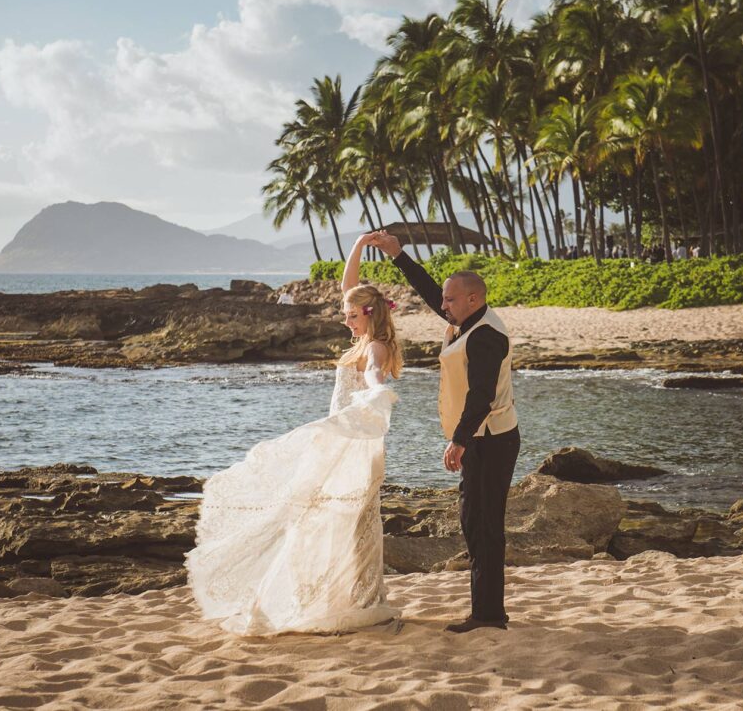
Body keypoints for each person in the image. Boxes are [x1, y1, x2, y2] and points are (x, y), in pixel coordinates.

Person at [186, 233, 402, 636]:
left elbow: (374, 374)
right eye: (346, 314)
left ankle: (365, 599)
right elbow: (347, 287)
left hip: (355, 448)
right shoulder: (362, 338)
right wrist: (358, 243)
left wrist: (376, 392)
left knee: (353, 524)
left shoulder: (375, 347)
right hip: (339, 444)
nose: (346, 320)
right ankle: (348, 596)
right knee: (325, 519)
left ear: (370, 315)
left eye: (353, 316)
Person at [367, 231, 520, 634]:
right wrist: (398, 255)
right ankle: (487, 611)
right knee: (473, 520)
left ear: (474, 299)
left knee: (485, 524)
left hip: (492, 439)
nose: (443, 304)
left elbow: (482, 396)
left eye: (451, 299)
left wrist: (459, 440)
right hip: (480, 439)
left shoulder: (486, 335)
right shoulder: (464, 320)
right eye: (446, 299)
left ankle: (489, 616)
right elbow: (431, 290)